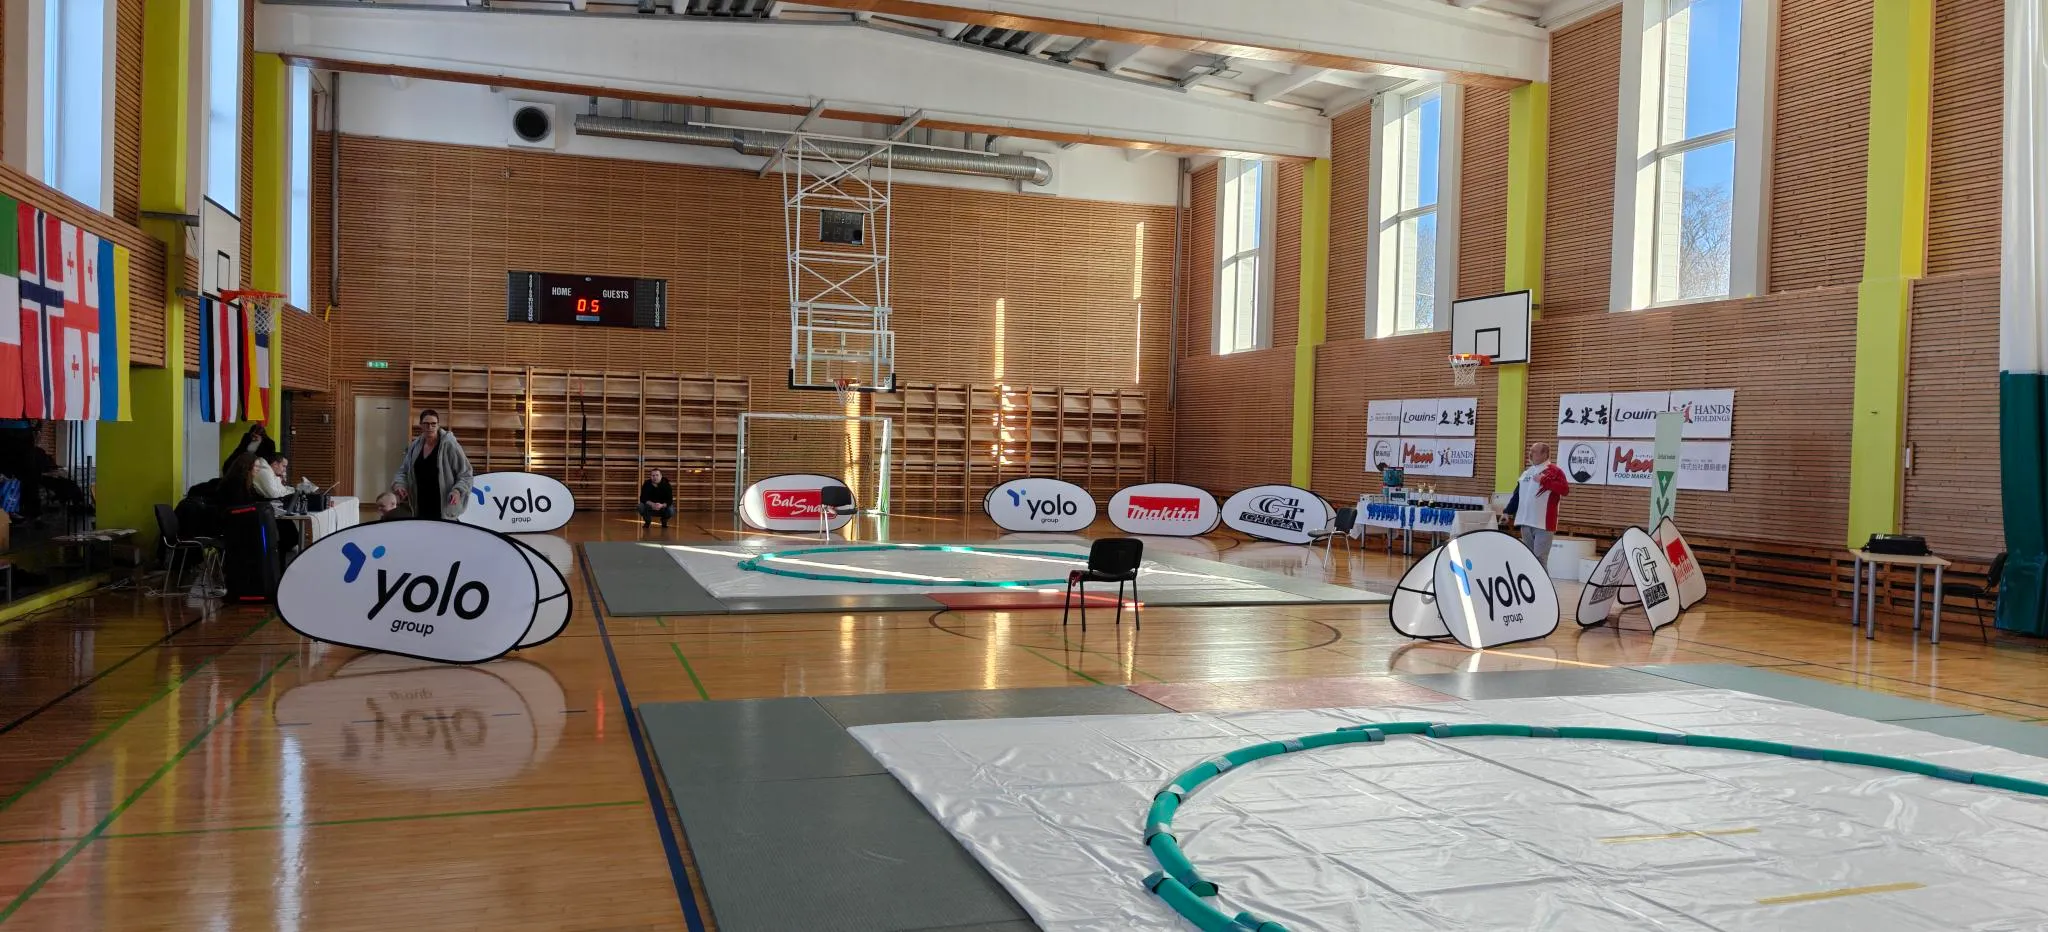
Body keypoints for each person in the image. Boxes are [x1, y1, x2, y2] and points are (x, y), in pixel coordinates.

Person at [385, 409, 474, 521]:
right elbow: (403, 471)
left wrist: (457, 491)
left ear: (438, 425)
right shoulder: (415, 446)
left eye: (433, 424)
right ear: (421, 425)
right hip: (419, 507)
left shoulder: (449, 445)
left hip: (442, 508)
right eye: (426, 424)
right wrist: (399, 485)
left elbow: (466, 474)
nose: (430, 427)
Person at [1503, 441, 1570, 571]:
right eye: (1530, 450)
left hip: (1543, 524)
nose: (1530, 453)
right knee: (1529, 558)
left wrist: (1544, 480)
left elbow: (1564, 490)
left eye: (1534, 451)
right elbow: (1517, 495)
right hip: (1525, 522)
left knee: (1540, 559)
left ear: (1544, 454)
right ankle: (1531, 588)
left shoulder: (1555, 471)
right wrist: (1507, 512)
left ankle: (1544, 589)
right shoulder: (1527, 472)